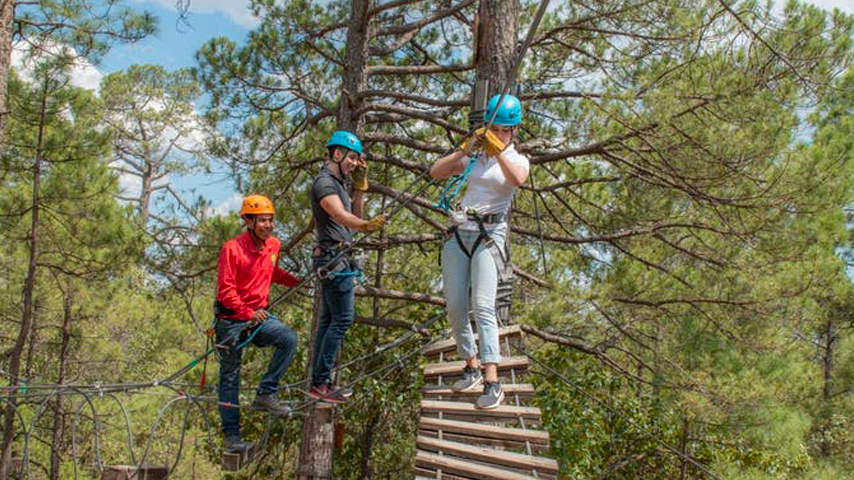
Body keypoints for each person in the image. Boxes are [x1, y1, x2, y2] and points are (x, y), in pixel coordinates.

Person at [429, 94, 530, 410]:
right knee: (456, 305)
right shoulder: (474, 158)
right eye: (494, 129)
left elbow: (518, 179)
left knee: (483, 304)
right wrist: (467, 146)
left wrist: (498, 150)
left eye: (505, 130)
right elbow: (436, 171)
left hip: (490, 234)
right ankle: (470, 364)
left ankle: (492, 380)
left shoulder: (516, 159)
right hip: (460, 231)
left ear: (514, 132)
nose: (499, 134)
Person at [215, 194, 301, 453]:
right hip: (231, 321)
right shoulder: (232, 249)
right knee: (230, 378)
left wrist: (296, 281)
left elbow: (271, 272)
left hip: (258, 318)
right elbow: (225, 291)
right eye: (263, 220)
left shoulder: (273, 245)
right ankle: (232, 438)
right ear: (249, 222)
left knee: (288, 338)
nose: (269, 225)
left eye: (271, 220)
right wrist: (247, 311)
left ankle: (266, 393)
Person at [308, 130, 386, 403]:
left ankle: (319, 382)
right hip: (332, 258)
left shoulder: (339, 183)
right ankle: (320, 382)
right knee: (342, 319)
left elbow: (356, 216)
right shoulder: (324, 183)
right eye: (351, 157)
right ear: (337, 154)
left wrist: (360, 187)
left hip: (337, 257)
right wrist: (364, 225)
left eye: (356, 159)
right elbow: (341, 215)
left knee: (329, 321)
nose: (354, 163)